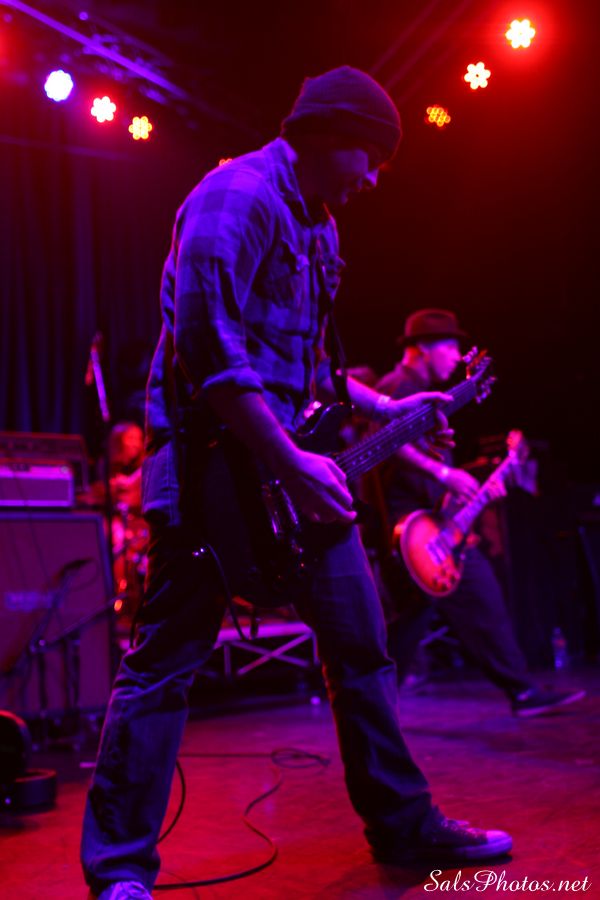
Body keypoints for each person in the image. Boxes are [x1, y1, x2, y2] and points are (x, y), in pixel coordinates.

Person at [81, 69, 513, 899]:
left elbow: (311, 372)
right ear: (328, 134)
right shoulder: (235, 196)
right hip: (212, 475)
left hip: (290, 469)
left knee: (362, 646)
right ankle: (120, 869)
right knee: (165, 663)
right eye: (370, 157)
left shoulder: (321, 229)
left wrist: (390, 405)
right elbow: (209, 351)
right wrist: (287, 460)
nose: (373, 178)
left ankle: (404, 825)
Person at [375, 308, 586, 716]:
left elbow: (437, 474)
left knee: (441, 611)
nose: (457, 356)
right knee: (416, 619)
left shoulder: (429, 396)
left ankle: (520, 691)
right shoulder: (396, 388)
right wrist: (443, 473)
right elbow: (385, 442)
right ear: (422, 348)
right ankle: (376, 704)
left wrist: (473, 492)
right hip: (411, 528)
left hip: (438, 526)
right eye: (450, 345)